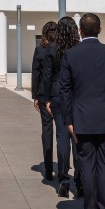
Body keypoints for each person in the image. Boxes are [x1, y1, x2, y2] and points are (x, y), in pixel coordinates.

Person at [59, 13, 105, 209]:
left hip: (81, 118)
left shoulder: (71, 55)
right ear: (100, 30)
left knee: (87, 166)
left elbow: (65, 90)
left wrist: (68, 120)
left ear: (80, 30)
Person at [44, 16, 81, 198]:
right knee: (78, 138)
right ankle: (80, 181)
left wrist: (48, 99)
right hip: (77, 96)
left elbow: (48, 77)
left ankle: (64, 179)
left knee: (62, 137)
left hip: (58, 95)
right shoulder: (79, 49)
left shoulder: (52, 49)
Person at [32, 22, 58, 181]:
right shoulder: (63, 49)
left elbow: (36, 73)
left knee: (47, 129)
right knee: (64, 132)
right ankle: (63, 168)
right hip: (61, 94)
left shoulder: (40, 50)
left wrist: (35, 95)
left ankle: (48, 170)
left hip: (43, 94)